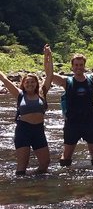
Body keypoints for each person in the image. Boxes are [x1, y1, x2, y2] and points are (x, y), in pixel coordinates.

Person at [51, 46, 93, 166]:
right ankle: (65, 179)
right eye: (76, 65)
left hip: (89, 121)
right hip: (72, 122)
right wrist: (48, 57)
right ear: (72, 67)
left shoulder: (92, 79)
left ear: (84, 66)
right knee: (66, 155)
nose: (79, 67)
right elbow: (50, 74)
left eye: (81, 65)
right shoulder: (66, 81)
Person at [0, 45, 53, 175]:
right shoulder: (19, 94)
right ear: (23, 84)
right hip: (23, 131)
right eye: (27, 82)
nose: (30, 84)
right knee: (22, 166)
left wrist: (48, 56)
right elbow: (4, 79)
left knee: (45, 164)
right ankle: (22, 190)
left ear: (37, 84)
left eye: (33, 82)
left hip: (39, 131)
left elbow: (49, 74)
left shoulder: (42, 93)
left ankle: (36, 183)